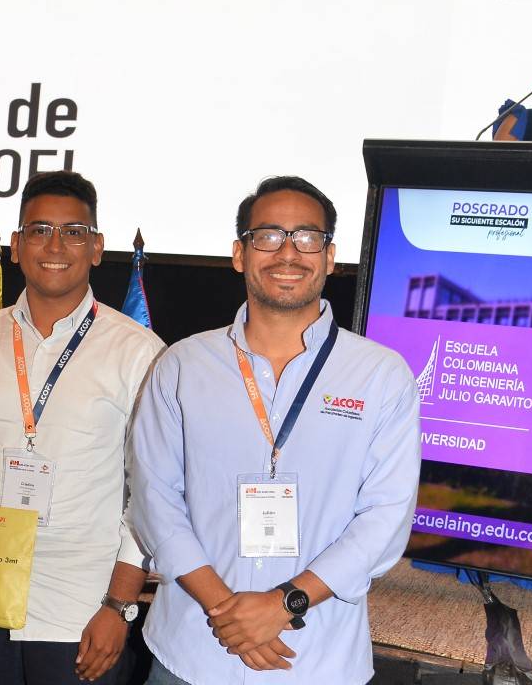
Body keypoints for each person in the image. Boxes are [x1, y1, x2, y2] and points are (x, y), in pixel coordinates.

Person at [130, 176, 421, 684]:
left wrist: (285, 603)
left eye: (307, 237)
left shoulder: (380, 375)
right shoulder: (182, 365)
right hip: (194, 648)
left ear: (330, 257)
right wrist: (229, 611)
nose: (288, 252)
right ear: (240, 254)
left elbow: (386, 516)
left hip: (317, 658)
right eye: (268, 236)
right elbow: (154, 499)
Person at [0, 170, 165, 684]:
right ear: (16, 245)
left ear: (96, 247)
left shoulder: (138, 352)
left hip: (80, 608)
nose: (55, 245)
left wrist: (120, 605)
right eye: (39, 230)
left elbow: (152, 490)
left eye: (73, 232)